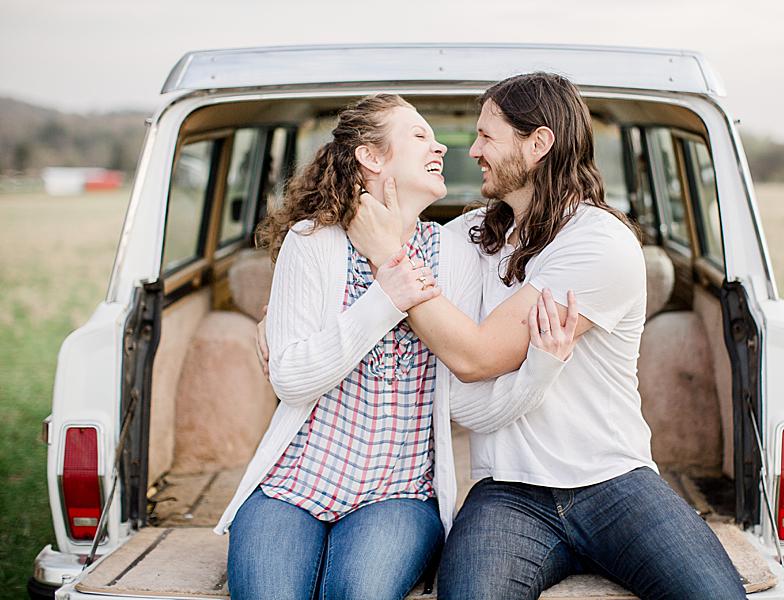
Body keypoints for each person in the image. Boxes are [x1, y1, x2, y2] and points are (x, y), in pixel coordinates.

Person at [342, 73, 747, 599]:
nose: (474, 150)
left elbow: (478, 355)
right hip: (506, 493)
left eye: (488, 136)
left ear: (538, 144)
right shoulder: (469, 235)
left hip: (614, 481)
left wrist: (387, 258)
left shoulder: (600, 243)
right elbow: (360, 257)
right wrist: (282, 317)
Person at [214, 94, 577, 600]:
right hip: (292, 483)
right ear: (372, 156)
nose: (443, 148)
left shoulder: (462, 251)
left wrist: (539, 370)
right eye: (420, 136)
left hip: (399, 493)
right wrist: (385, 298)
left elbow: (473, 393)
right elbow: (291, 378)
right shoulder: (312, 242)